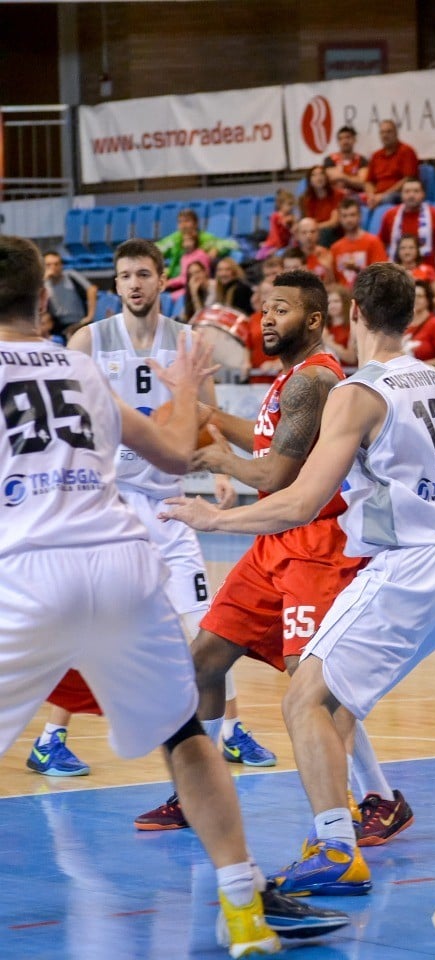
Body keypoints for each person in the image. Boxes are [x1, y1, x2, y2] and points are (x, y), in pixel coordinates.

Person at [0, 235, 350, 953]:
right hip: (120, 559)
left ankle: (54, 737)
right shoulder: (80, 368)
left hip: (29, 569)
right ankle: (245, 911)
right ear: (42, 300)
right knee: (186, 736)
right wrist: (188, 381)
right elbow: (168, 447)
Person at [158, 262, 435, 896]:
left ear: (352, 314)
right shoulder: (430, 376)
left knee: (305, 700)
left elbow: (297, 500)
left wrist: (213, 519)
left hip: (404, 563)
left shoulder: (353, 391)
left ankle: (337, 845)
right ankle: (352, 820)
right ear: (408, 317)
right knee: (323, 693)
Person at [136, 270, 414, 848]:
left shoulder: (313, 382)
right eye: (264, 308)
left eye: (280, 310)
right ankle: (197, 791)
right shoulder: (291, 380)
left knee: (313, 688)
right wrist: (210, 417)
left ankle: (379, 799)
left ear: (313, 320)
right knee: (205, 661)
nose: (266, 318)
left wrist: (214, 457)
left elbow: (274, 473)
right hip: (276, 545)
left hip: (317, 546)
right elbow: (268, 440)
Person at [28, 239, 273, 783]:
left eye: (144, 273)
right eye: (125, 276)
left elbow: (205, 412)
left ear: (163, 281)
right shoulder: (89, 339)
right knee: (92, 622)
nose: (135, 283)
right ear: (114, 286)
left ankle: (230, 729)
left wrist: (221, 473)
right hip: (110, 506)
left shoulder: (187, 341)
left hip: (171, 502)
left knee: (208, 622)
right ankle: (51, 737)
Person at [379, 177, 435, 293]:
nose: (411, 195)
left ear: (423, 194)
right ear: (401, 194)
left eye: (416, 191)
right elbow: (381, 247)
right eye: (407, 191)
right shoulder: (390, 216)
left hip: (428, 278)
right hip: (396, 279)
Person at [156, 208, 236, 279]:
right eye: (180, 222)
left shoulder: (205, 238)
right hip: (174, 278)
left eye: (187, 221)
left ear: (196, 223)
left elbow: (232, 244)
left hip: (196, 278)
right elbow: (156, 248)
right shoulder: (174, 239)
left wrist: (216, 249)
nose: (183, 225)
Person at [329, 198, 388, 289]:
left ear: (360, 216)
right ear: (340, 219)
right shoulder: (335, 248)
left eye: (352, 215)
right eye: (344, 216)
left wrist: (359, 269)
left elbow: (381, 274)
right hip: (343, 298)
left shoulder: (373, 241)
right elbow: (333, 280)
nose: (349, 220)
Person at [43, 251, 98, 341]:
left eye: (56, 264)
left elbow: (92, 289)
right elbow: (36, 300)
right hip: (57, 324)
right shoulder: (43, 284)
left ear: (61, 265)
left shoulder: (70, 275)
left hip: (78, 322)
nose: (53, 268)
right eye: (49, 265)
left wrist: (90, 316)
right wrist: (44, 280)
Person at [364, 119, 419, 209]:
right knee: (353, 200)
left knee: (388, 199)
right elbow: (368, 182)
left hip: (398, 195)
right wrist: (371, 196)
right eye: (382, 132)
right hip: (377, 195)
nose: (385, 135)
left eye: (389, 132)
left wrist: (382, 196)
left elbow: (408, 179)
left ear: (396, 133)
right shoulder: (375, 155)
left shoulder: (407, 151)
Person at [402, 279, 435, 366]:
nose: (415, 299)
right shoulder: (401, 323)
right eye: (412, 296)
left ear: (428, 300)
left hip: (427, 375)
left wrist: (422, 366)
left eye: (419, 296)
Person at [395, 233, 435, 314]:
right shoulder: (391, 272)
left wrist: (423, 303)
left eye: (411, 248)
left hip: (423, 316)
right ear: (397, 251)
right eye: (403, 248)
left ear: (418, 250)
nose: (407, 252)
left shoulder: (428, 270)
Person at [299, 166, 345, 247]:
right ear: (309, 181)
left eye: (321, 174)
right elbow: (305, 222)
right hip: (313, 233)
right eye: (314, 175)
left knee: (324, 233)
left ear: (326, 177)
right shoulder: (306, 200)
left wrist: (314, 227)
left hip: (334, 233)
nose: (318, 177)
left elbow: (333, 223)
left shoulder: (337, 195)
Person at [323, 125, 369, 196]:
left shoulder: (362, 160)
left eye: (348, 137)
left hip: (358, 197)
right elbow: (332, 180)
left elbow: (363, 182)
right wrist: (354, 179)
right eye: (341, 139)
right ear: (338, 142)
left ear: (354, 140)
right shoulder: (330, 159)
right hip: (336, 197)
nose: (345, 141)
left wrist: (342, 177)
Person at [324, 284, 357, 367]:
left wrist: (329, 342)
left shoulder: (352, 326)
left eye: (336, 301)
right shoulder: (323, 327)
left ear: (345, 302)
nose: (332, 305)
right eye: (328, 302)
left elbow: (351, 358)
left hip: (348, 373)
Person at [257, 189, 296, 259]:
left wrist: (293, 223)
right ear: (281, 204)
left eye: (292, 204)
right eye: (289, 204)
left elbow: (293, 233)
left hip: (285, 245)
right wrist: (277, 247)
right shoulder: (275, 216)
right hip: (274, 244)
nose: (291, 207)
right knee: (259, 257)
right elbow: (275, 234)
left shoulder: (291, 217)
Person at [295, 218, 335, 284]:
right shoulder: (292, 256)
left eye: (312, 231)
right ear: (297, 235)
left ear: (319, 234)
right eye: (304, 232)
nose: (309, 236)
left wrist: (328, 269)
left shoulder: (326, 254)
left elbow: (333, 285)